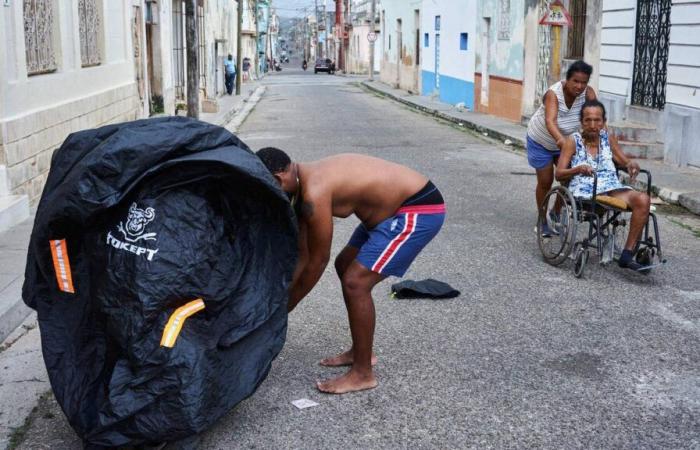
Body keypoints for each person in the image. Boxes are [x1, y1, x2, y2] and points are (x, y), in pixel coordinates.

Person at [256, 149, 446, 394]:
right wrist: (279, 304)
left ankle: (363, 373)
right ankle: (360, 351)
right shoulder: (301, 186)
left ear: (279, 178)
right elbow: (302, 255)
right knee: (345, 265)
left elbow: (317, 260)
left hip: (417, 208)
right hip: (384, 215)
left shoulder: (314, 191)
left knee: (356, 282)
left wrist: (280, 314)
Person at [555, 99, 649, 271]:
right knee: (613, 196)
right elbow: (559, 173)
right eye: (588, 120)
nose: (593, 125)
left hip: (612, 188)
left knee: (643, 199)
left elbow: (624, 161)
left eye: (597, 120)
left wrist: (630, 165)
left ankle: (627, 255)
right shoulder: (572, 141)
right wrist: (577, 169)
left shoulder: (608, 139)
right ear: (581, 122)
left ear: (603, 122)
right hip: (585, 190)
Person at [527, 60, 597, 236]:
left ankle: (556, 212)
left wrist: (601, 139)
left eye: (584, 82)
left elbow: (596, 116)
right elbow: (550, 121)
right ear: (568, 80)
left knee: (568, 178)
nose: (579, 86)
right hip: (541, 140)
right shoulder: (553, 93)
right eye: (576, 81)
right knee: (545, 181)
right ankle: (542, 219)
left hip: (566, 141)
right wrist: (560, 140)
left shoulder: (588, 94)